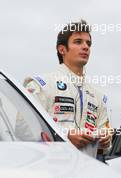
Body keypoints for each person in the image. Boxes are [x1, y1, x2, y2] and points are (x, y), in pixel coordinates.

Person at [24, 20, 112, 156]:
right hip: (49, 171)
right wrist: (65, 136)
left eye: (88, 43)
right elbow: (23, 129)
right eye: (78, 42)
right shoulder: (42, 85)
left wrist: (105, 141)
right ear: (62, 49)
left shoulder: (99, 96)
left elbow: (106, 147)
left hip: (87, 172)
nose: (85, 47)